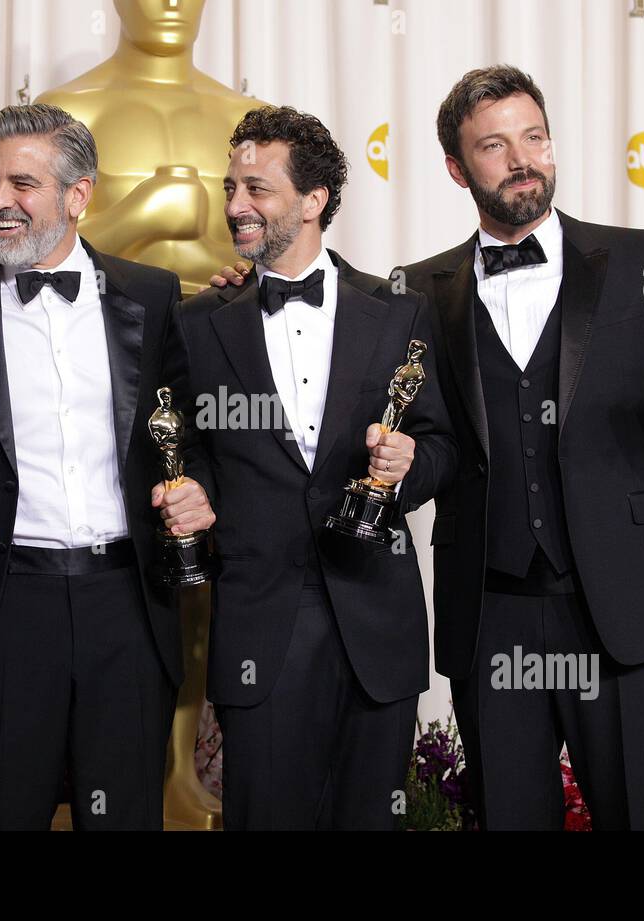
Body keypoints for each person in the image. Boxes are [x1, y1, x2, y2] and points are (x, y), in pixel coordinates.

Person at [397, 65, 644, 829]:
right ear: (456, 167)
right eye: (493, 145)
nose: (522, 157)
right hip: (492, 611)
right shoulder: (417, 289)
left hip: (625, 603)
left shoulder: (640, 258)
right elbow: (418, 436)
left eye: (535, 137)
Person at [0, 104, 214, 830]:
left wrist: (202, 490)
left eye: (22, 182)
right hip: (5, 607)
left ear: (79, 195)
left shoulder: (151, 293)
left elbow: (193, 431)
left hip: (129, 603)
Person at [182, 106, 457, 829]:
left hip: (378, 626)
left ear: (313, 201)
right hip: (260, 631)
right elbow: (194, 454)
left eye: (257, 189)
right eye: (230, 187)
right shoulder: (201, 322)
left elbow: (442, 446)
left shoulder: (399, 311)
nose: (236, 204)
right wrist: (194, 497)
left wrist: (408, 466)